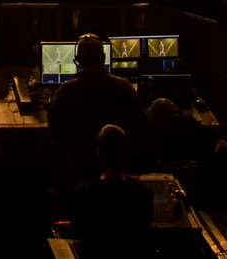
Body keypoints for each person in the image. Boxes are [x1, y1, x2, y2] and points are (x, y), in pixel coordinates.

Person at [47, 35, 145, 185]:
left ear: (77, 59)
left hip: (79, 170)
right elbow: (140, 126)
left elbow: (53, 129)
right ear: (103, 57)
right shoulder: (125, 87)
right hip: (120, 171)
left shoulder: (66, 91)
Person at [68, 123, 156, 259]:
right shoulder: (144, 195)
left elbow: (77, 233)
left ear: (99, 153)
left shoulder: (82, 193)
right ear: (127, 153)